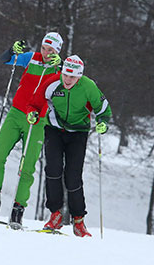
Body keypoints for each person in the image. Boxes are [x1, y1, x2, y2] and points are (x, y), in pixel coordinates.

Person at [0, 32, 63, 230]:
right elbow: (5, 59)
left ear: (57, 51)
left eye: (51, 50)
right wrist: (12, 50)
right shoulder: (31, 58)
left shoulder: (60, 69)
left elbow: (71, 83)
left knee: (27, 167)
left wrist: (60, 66)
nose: (45, 53)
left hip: (38, 120)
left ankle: (18, 208)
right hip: (16, 114)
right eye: (44, 48)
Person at [26, 55, 112, 237]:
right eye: (65, 74)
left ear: (79, 77)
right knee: (53, 170)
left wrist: (103, 122)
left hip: (78, 133)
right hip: (54, 129)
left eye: (72, 77)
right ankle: (55, 214)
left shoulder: (88, 86)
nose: (67, 79)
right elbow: (35, 101)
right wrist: (32, 112)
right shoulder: (52, 82)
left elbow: (103, 108)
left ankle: (78, 220)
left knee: (73, 176)